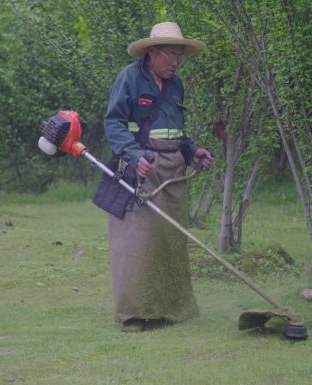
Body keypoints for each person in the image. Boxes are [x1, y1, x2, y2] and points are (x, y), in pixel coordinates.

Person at [103, 21, 213, 332]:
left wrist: (192, 153)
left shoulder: (176, 85)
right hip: (140, 168)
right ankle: (135, 315)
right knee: (137, 241)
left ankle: (171, 309)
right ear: (152, 53)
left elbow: (176, 131)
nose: (176, 63)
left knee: (170, 239)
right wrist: (135, 158)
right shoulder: (129, 79)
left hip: (173, 172)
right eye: (170, 55)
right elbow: (114, 124)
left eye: (180, 56)